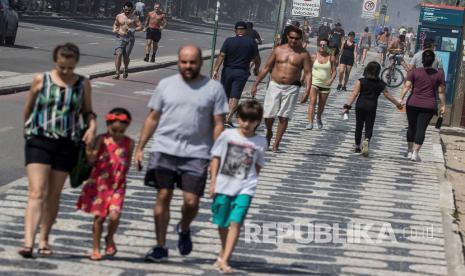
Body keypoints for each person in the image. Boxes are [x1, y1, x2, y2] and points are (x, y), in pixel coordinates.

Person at [135, 45, 228, 261]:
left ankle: (184, 228)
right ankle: (160, 246)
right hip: (164, 150)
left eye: (192, 62)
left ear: (200, 62)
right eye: (184, 62)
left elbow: (218, 124)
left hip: (197, 153)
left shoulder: (214, 88)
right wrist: (140, 148)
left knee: (191, 202)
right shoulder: (166, 85)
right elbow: (152, 118)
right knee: (163, 195)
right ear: (178, 61)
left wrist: (217, 154)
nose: (188, 66)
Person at [19, 43, 97, 258]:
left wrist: (91, 127)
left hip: (67, 144)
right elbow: (28, 107)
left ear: (76, 64)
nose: (65, 72)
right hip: (39, 140)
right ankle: (28, 242)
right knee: (36, 191)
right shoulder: (40, 80)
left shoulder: (83, 84)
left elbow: (88, 112)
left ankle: (44, 238)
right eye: (62, 67)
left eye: (70, 68)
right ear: (56, 62)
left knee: (53, 194)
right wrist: (28, 129)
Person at [208, 100, 267, 273]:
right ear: (238, 118)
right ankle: (224, 249)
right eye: (243, 119)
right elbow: (216, 158)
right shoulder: (227, 135)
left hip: (246, 188)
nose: (247, 124)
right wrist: (212, 182)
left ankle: (225, 260)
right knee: (222, 222)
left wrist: (252, 181)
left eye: (252, 120)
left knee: (236, 223)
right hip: (223, 185)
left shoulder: (261, 141)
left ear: (258, 121)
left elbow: (258, 165)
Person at [76, 108, 134, 261]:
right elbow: (92, 159)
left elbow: (126, 163)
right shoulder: (102, 139)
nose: (117, 134)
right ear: (107, 125)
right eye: (114, 130)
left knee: (115, 216)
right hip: (100, 185)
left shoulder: (129, 143)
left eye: (121, 131)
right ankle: (96, 248)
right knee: (99, 218)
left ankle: (109, 237)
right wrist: (89, 146)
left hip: (117, 185)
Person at [251, 26, 312, 152]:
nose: (294, 40)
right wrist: (256, 84)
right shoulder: (278, 50)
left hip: (292, 87)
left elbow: (307, 73)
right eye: (291, 37)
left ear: (300, 39)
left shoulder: (304, 54)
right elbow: (267, 67)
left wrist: (307, 91)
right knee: (269, 115)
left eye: (296, 38)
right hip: (275, 84)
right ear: (288, 37)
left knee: (284, 116)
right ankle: (269, 132)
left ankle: (276, 144)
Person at [343, 61, 403, 157]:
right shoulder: (380, 84)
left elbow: (354, 94)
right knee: (369, 126)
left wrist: (347, 106)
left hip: (360, 105)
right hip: (371, 106)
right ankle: (366, 140)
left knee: (359, 125)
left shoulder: (361, 81)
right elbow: (387, 95)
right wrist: (397, 104)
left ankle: (357, 147)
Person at [399, 50, 446, 162]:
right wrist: (443, 105)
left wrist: (400, 99)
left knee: (411, 127)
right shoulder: (439, 74)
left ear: (422, 60)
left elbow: (407, 86)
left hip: (412, 103)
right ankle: (415, 153)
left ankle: (409, 151)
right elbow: (441, 92)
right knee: (421, 129)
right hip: (429, 105)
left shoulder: (414, 72)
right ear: (434, 60)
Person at [213, 21, 261, 128]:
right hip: (241, 72)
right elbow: (257, 58)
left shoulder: (229, 41)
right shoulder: (251, 42)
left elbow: (221, 55)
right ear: (246, 30)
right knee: (235, 96)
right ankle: (228, 118)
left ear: (235, 30)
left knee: (225, 94)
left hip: (227, 71)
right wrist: (256, 69)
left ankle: (223, 117)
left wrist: (215, 69)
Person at [302, 38, 336, 130]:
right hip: (314, 82)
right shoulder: (314, 56)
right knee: (312, 101)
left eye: (324, 45)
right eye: (320, 45)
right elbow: (307, 70)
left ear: (327, 46)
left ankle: (318, 118)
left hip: (325, 84)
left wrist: (331, 80)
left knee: (321, 104)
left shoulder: (331, 57)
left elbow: (334, 72)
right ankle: (310, 122)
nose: (322, 46)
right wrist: (303, 79)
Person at [112, 2, 143, 79]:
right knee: (118, 54)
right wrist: (115, 29)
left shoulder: (135, 17)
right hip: (120, 37)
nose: (127, 11)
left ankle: (126, 68)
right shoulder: (119, 16)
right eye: (126, 9)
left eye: (129, 10)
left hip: (130, 39)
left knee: (126, 56)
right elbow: (115, 24)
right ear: (123, 8)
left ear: (132, 9)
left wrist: (134, 29)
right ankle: (117, 73)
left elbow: (141, 27)